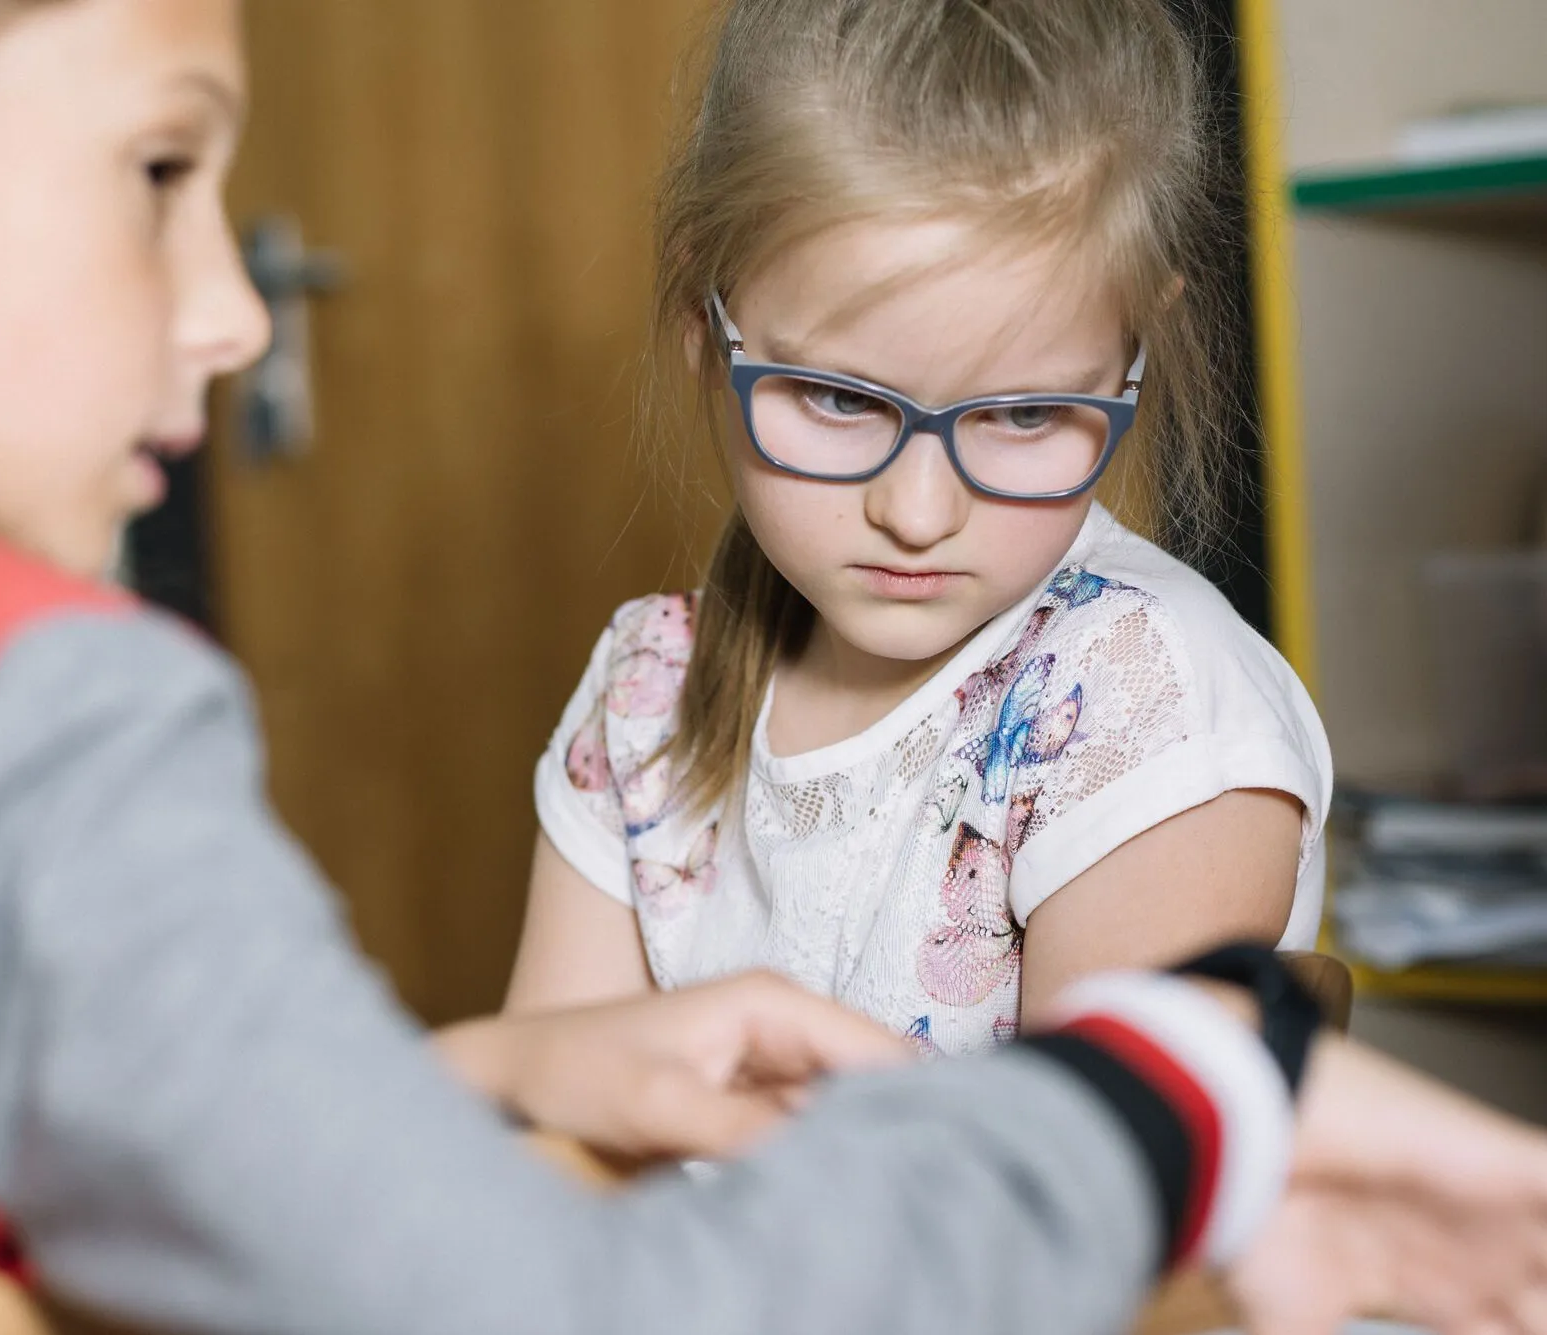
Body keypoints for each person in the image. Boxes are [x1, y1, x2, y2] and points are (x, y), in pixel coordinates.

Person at [0, 1, 1544, 1333]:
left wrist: (499, 1071)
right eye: (163, 168)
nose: (241, 311)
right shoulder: (16, 699)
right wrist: (1172, 1092)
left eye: (1020, 416)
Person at [509, 0, 1331, 1053]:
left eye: (1023, 412)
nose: (916, 513)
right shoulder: (649, 688)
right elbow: (542, 1143)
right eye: (839, 399)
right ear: (699, 324)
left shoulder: (1145, 708)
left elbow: (1072, 1196)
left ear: (1135, 346)